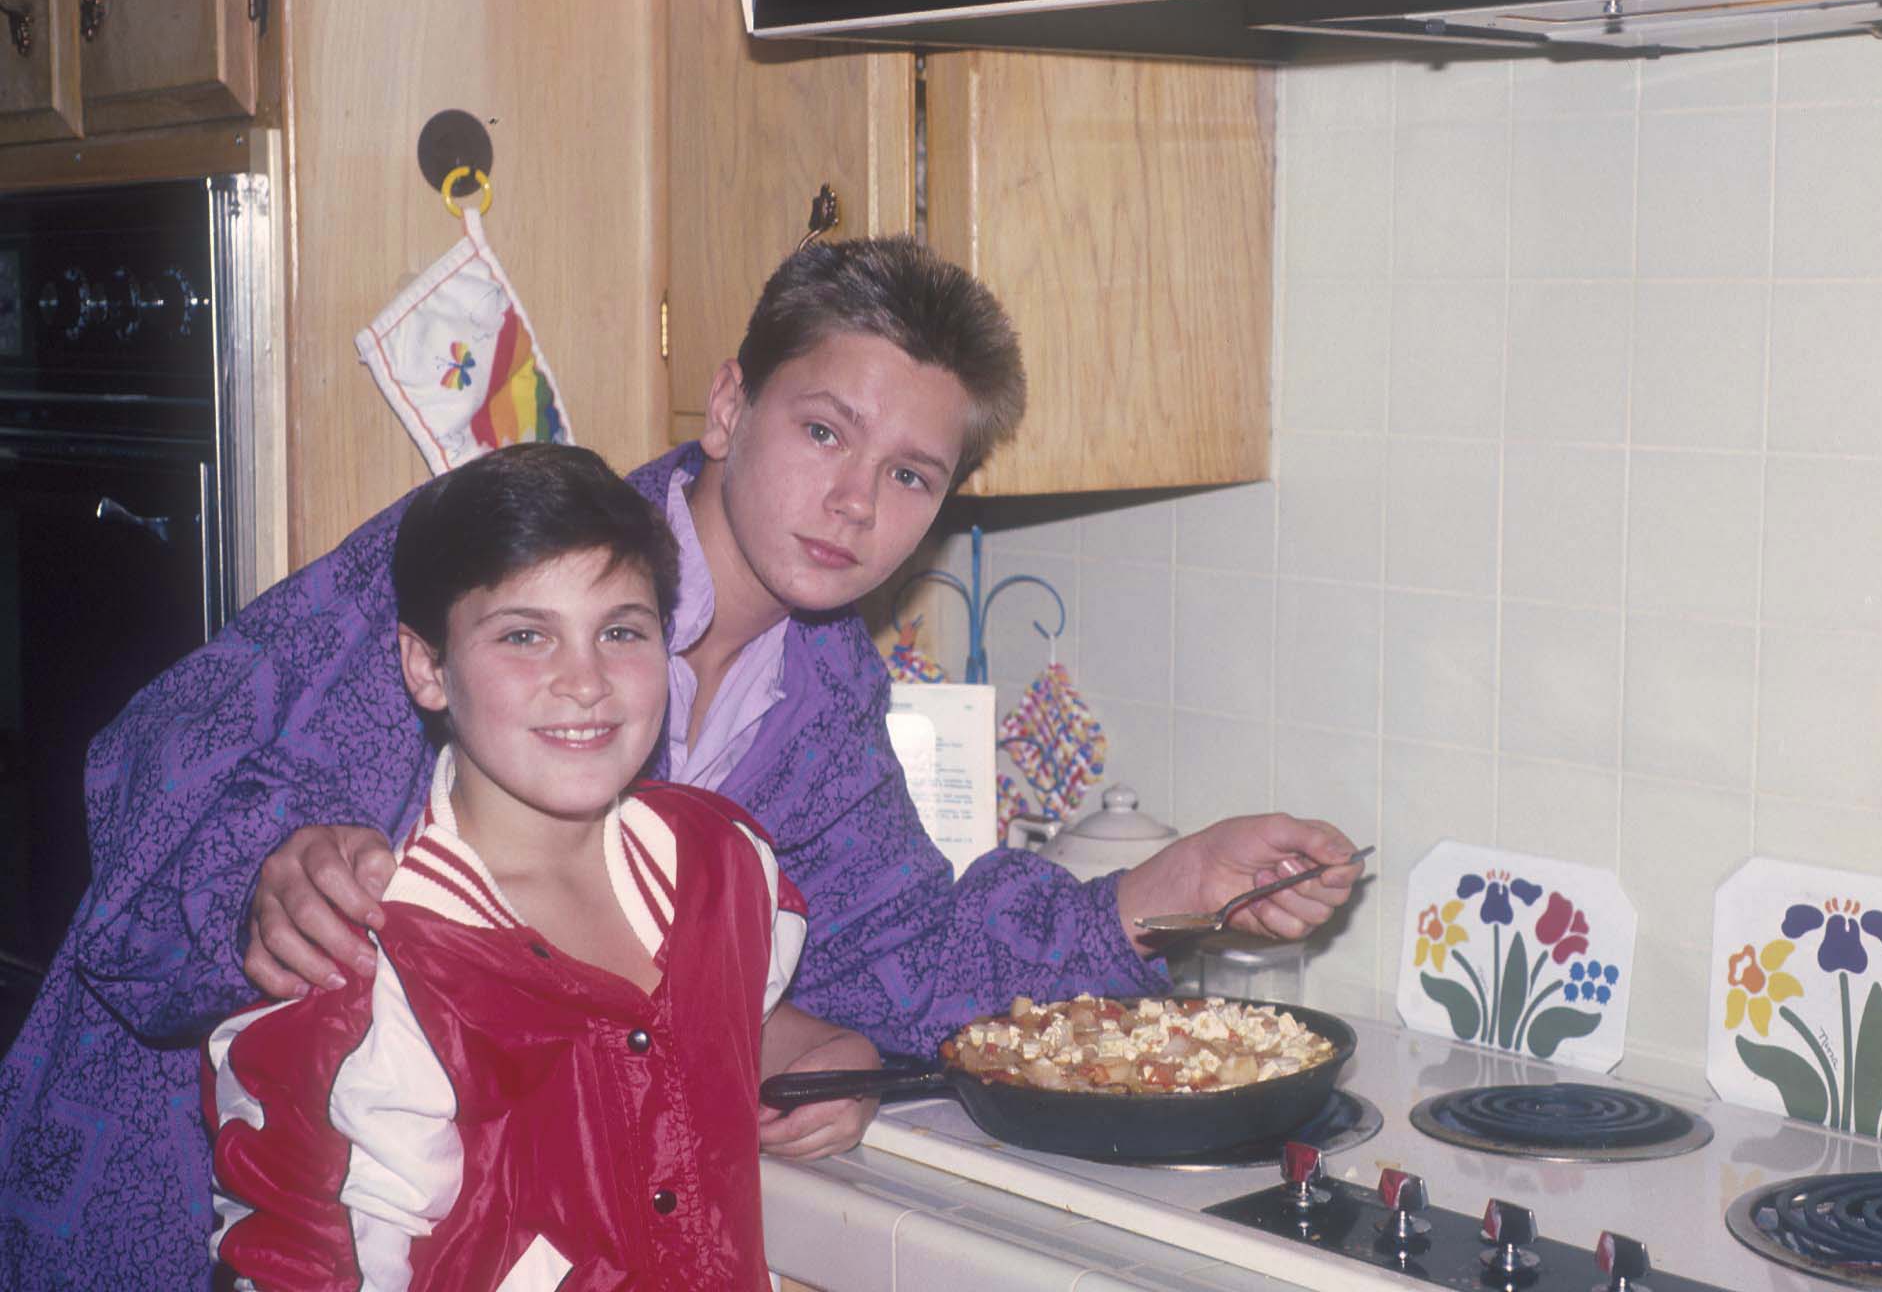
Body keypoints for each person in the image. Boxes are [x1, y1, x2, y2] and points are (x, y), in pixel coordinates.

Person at [0, 236, 1363, 1289]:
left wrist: (1164, 890)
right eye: (825, 430)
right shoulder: (521, 551)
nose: (852, 504)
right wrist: (264, 881)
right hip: (180, 1201)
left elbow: (901, 961)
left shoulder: (821, 698)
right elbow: (157, 779)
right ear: (730, 404)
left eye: (912, 475)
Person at [204, 443, 869, 1289]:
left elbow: (724, 1021)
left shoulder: (725, 864)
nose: (585, 682)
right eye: (526, 635)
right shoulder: (374, 969)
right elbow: (308, 1256)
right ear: (428, 667)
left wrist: (835, 1058)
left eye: (621, 631)